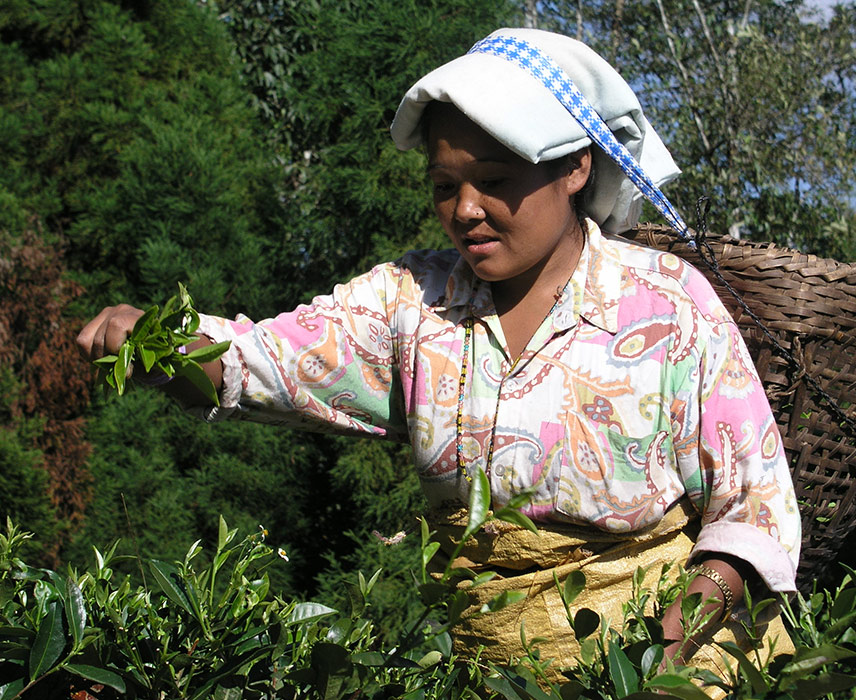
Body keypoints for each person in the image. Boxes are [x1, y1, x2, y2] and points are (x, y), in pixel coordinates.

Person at [78, 27, 800, 676]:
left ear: (576, 167)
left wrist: (670, 646)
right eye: (445, 185)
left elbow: (754, 507)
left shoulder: (668, 306)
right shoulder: (410, 307)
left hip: (671, 666)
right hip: (497, 674)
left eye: (494, 180)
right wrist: (161, 345)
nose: (465, 210)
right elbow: (263, 363)